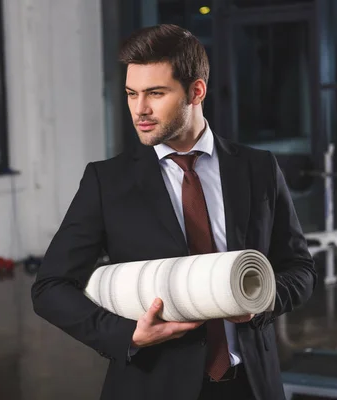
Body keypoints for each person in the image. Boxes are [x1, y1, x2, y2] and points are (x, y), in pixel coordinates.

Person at [31, 24, 316, 400]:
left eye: (155, 93)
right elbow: (49, 287)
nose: (140, 109)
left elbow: (300, 269)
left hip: (251, 384)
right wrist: (125, 334)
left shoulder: (258, 169)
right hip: (152, 385)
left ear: (196, 91)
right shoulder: (107, 181)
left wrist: (261, 302)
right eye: (132, 94)